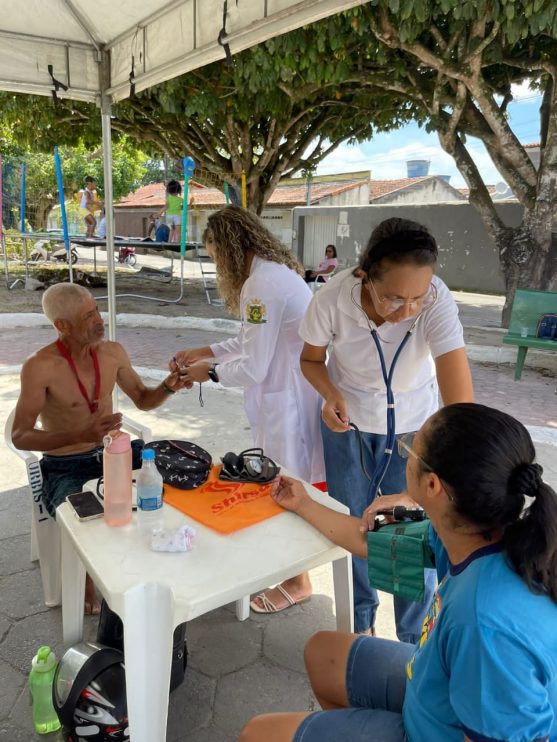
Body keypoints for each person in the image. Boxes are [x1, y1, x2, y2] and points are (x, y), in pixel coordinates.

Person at [239, 403, 557, 742]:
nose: (405, 456)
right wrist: (302, 502)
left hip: (437, 729)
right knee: (322, 652)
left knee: (257, 735)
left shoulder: (483, 623)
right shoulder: (472, 530)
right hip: (434, 690)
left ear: (432, 485)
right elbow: (369, 539)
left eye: (409, 450)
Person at [299, 217, 474, 641]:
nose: (409, 310)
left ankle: (415, 641)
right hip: (349, 426)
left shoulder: (436, 301)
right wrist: (329, 395)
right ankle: (360, 627)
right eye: (395, 298)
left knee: (410, 531)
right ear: (364, 275)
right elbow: (310, 360)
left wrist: (423, 486)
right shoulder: (331, 299)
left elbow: (463, 408)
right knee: (354, 522)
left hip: (415, 430)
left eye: (419, 296)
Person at [171, 205, 324, 614]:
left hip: (287, 400)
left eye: (214, 256)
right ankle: (289, 569)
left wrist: (210, 374)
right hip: (291, 394)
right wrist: (205, 352)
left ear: (228, 247)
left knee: (288, 484)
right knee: (290, 481)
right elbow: (250, 341)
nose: (217, 265)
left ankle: (298, 579)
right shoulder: (274, 275)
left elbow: (254, 365)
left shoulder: (260, 286)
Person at [11, 283, 190, 612]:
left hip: (115, 452)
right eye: (87, 316)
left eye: (96, 310)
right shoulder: (40, 366)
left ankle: (165, 551)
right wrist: (80, 432)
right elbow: (20, 436)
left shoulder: (112, 352)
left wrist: (168, 386)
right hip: (66, 464)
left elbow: (143, 399)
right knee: (87, 522)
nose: (98, 320)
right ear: (61, 326)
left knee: (180, 473)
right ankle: (88, 578)